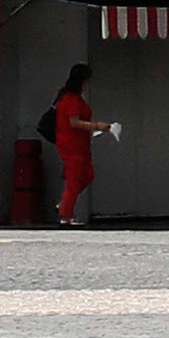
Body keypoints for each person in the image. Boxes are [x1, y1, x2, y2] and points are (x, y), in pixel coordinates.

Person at [41, 64, 104, 227]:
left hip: (79, 143)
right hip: (72, 144)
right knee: (75, 179)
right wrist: (97, 126)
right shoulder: (72, 99)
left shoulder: (68, 97)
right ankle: (66, 215)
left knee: (87, 174)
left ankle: (64, 205)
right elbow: (74, 122)